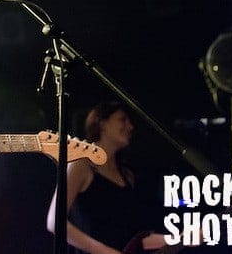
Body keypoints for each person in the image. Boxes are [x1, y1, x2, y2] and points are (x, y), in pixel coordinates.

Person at [46, 101, 168, 254]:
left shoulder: (127, 175)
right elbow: (54, 222)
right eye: (123, 119)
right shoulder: (80, 165)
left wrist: (179, 238)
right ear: (102, 123)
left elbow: (134, 240)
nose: (130, 127)